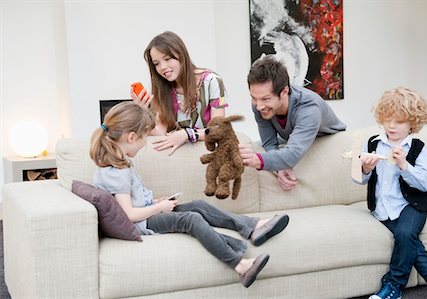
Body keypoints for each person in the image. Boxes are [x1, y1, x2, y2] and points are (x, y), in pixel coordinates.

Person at [89, 101, 290, 288]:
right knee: (191, 219)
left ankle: (252, 226)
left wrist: (157, 201)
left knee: (198, 206)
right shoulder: (117, 172)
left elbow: (132, 201)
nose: (145, 143)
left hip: (146, 215)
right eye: (144, 137)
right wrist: (159, 208)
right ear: (131, 137)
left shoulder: (117, 165)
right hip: (142, 224)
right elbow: (129, 215)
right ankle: (240, 266)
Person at [356, 87, 427, 299]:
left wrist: (404, 165)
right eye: (387, 119)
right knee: (410, 242)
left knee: (405, 234)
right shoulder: (372, 143)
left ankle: (393, 285)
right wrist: (366, 169)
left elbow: (425, 183)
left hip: (412, 205)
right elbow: (358, 178)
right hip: (382, 207)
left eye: (398, 121)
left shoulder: (417, 147)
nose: (391, 126)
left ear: (412, 123)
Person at [239, 56, 346, 190]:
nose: (259, 106)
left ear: (284, 91)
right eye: (254, 98)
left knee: (257, 156)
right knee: (255, 146)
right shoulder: (259, 104)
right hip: (293, 138)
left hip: (328, 140)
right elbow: (269, 142)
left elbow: (293, 153)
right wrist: (279, 168)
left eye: (265, 99)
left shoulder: (309, 108)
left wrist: (258, 160)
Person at [131, 31, 228, 155]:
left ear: (181, 55)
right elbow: (160, 132)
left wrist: (187, 134)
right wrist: (142, 112)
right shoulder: (163, 89)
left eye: (167, 59)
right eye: (156, 64)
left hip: (206, 152)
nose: (162, 67)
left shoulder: (212, 82)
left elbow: (219, 130)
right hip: (177, 154)